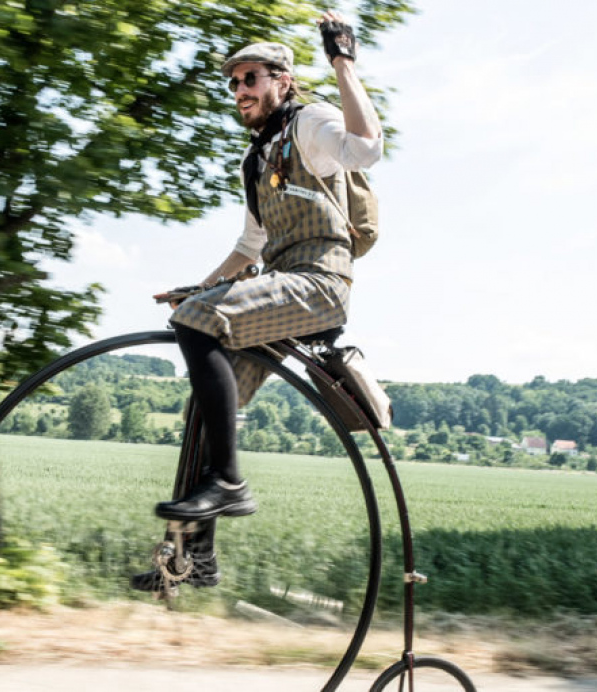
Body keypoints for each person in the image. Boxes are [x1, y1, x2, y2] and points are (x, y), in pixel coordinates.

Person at [131, 10, 384, 592]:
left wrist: (342, 61)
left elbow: (367, 148)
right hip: (278, 286)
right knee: (205, 404)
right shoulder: (255, 160)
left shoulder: (310, 124)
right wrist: (201, 288)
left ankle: (228, 481)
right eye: (235, 82)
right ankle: (196, 558)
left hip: (319, 283)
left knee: (197, 325)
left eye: (252, 78)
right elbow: (251, 246)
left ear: (281, 81)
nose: (241, 90)